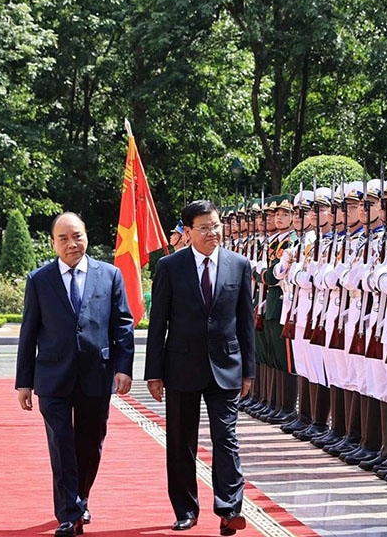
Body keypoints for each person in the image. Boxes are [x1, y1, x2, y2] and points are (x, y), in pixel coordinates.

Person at [15, 212, 135, 537]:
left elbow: (122, 324)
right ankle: (68, 513)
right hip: (53, 377)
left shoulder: (109, 275)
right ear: (53, 242)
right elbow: (29, 332)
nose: (72, 244)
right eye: (64, 238)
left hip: (96, 374)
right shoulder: (39, 280)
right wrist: (24, 381)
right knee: (61, 442)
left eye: (77, 236)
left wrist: (124, 368)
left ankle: (80, 499)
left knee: (90, 444)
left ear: (86, 236)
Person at [145, 199, 256, 536]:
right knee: (181, 441)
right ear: (188, 231)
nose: (213, 233)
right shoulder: (170, 267)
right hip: (181, 365)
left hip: (226, 365)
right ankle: (185, 509)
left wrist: (248, 370)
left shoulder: (238, 265)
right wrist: (154, 372)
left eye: (216, 226)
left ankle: (229, 508)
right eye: (204, 228)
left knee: (226, 438)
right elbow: (158, 323)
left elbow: (245, 323)